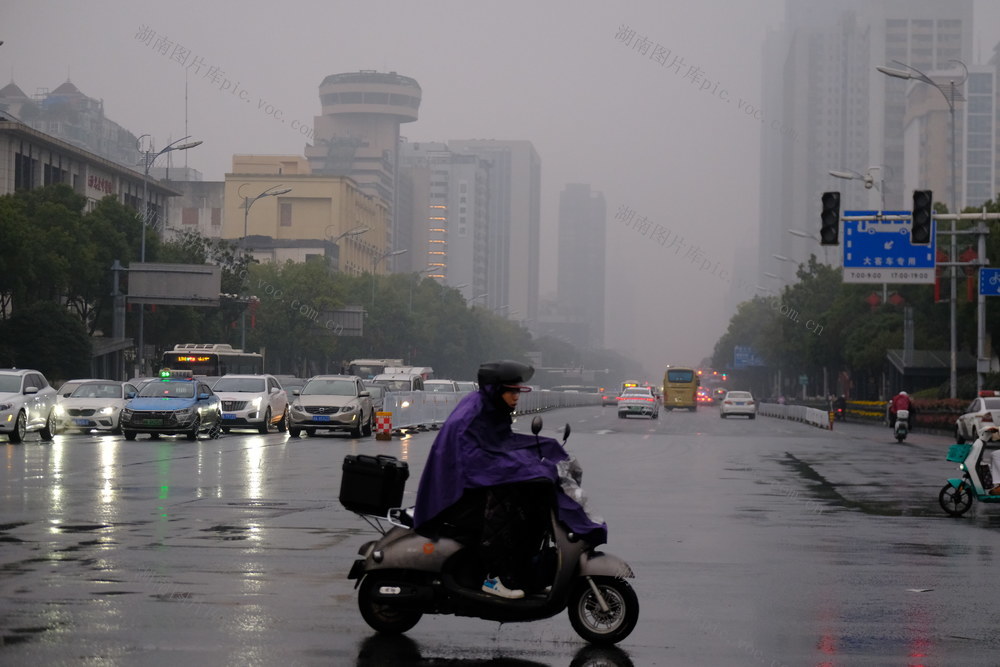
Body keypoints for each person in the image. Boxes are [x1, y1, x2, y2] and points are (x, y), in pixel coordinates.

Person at [413, 360, 606, 599]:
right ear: (496, 390)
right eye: (511, 391)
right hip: (455, 495)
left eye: (518, 391)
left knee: (532, 504)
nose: (516, 397)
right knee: (504, 509)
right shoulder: (472, 415)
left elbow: (503, 443)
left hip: (470, 487)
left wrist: (548, 451)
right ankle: (490, 576)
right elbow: (480, 461)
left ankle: (522, 574)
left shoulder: (491, 408)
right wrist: (529, 467)